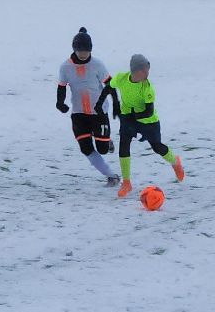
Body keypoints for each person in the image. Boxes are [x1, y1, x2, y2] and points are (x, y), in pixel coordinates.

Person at [109, 52, 184, 198]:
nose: (147, 72)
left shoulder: (147, 87)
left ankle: (175, 162)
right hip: (128, 118)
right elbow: (109, 85)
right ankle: (126, 183)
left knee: (157, 147)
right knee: (124, 145)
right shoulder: (121, 78)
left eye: (148, 68)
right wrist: (116, 103)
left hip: (148, 122)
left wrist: (132, 117)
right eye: (144, 69)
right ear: (136, 71)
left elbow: (148, 111)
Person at [56, 27, 120, 187]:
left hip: (98, 112)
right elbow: (62, 86)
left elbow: (110, 85)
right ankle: (111, 176)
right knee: (85, 148)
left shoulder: (97, 64)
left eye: (86, 51)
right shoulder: (65, 67)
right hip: (78, 113)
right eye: (80, 51)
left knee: (103, 148)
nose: (83, 54)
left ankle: (107, 141)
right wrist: (60, 103)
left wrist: (116, 104)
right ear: (74, 49)